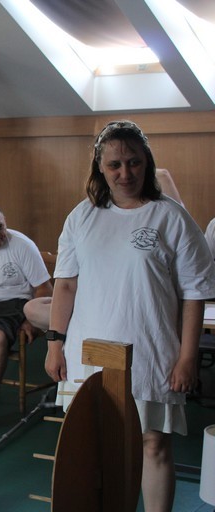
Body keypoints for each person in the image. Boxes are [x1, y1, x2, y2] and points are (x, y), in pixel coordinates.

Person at [44, 120, 215, 512]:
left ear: (147, 162)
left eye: (134, 162)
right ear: (100, 168)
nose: (125, 173)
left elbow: (194, 295)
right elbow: (65, 286)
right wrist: (55, 344)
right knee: (95, 445)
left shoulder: (171, 217)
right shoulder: (81, 218)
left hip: (151, 351)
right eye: (115, 165)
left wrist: (188, 358)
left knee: (153, 444)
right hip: (88, 352)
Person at [23, 167, 186, 332]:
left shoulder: (165, 216)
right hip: (91, 301)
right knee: (32, 308)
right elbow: (67, 281)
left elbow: (163, 176)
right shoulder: (87, 217)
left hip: (131, 304)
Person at [0, 205, 52, 425]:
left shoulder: (22, 245)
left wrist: (31, 320)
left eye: (0, 227)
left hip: (11, 303)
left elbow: (44, 288)